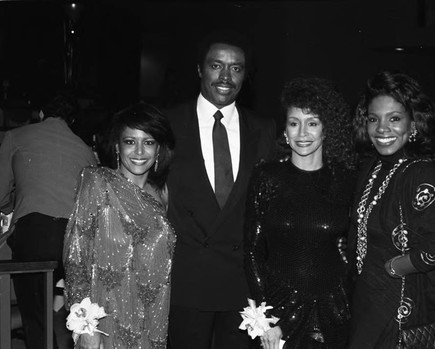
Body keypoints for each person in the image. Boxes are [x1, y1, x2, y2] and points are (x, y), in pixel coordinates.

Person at [165, 30, 276, 349]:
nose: (226, 76)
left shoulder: (263, 128)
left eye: (236, 68)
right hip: (185, 280)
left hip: (241, 283)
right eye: (216, 65)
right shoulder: (168, 123)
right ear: (200, 69)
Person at [347, 71, 435, 348]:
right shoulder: (370, 168)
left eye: (394, 118)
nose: (382, 129)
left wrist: (395, 267)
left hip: (400, 306)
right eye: (374, 119)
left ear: (413, 124)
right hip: (365, 302)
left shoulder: (422, 172)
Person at [244, 77, 356, 349]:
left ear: (326, 129)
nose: (302, 133)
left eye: (312, 123)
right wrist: (264, 318)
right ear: (285, 130)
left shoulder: (346, 180)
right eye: (294, 123)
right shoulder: (267, 177)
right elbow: (252, 251)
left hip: (332, 308)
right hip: (279, 310)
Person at [63, 102, 176, 349]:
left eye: (148, 142)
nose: (139, 151)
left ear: (159, 150)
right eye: (130, 141)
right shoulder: (97, 182)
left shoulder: (162, 194)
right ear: (117, 146)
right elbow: (76, 259)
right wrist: (86, 327)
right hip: (106, 323)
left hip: (152, 325)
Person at [0, 91, 97, 349]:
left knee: (36, 314)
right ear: (72, 121)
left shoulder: (15, 136)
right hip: (76, 238)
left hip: (35, 231)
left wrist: (14, 203)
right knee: (82, 314)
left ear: (41, 114)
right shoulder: (86, 149)